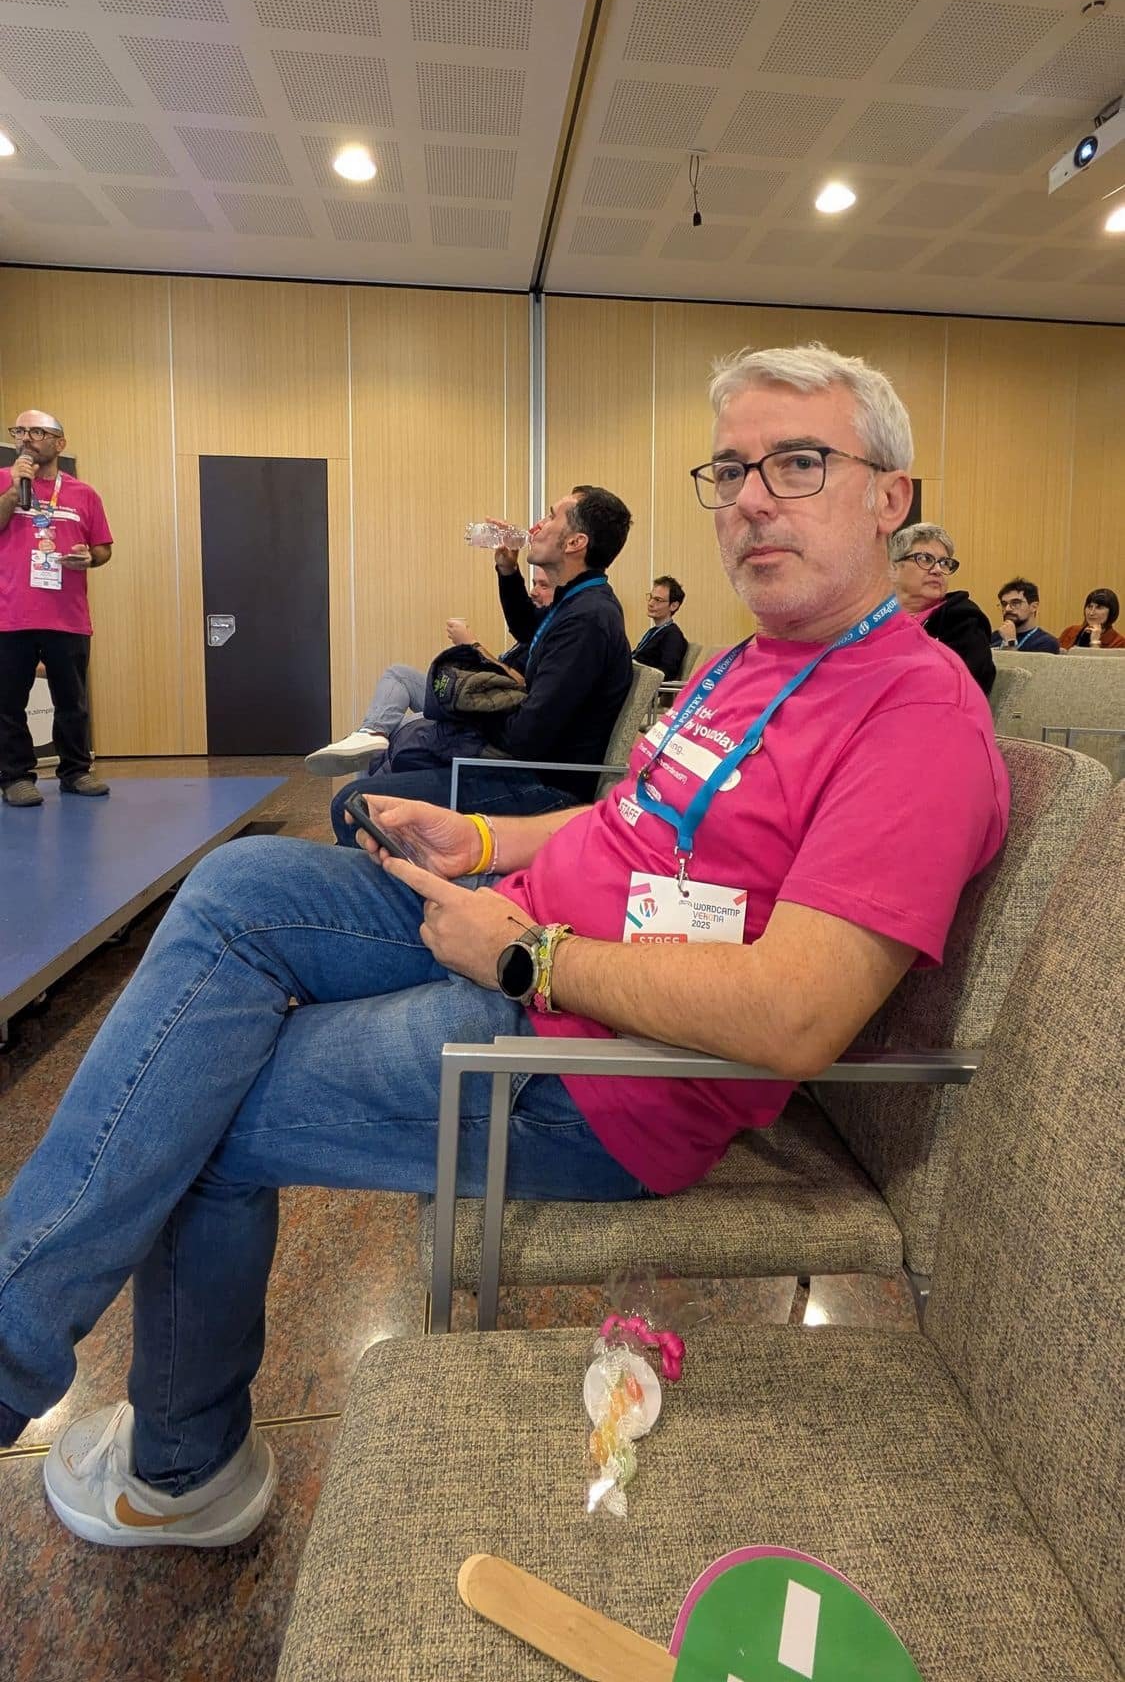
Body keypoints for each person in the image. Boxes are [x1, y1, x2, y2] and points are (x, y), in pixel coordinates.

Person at [0, 342, 1008, 1549]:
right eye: (730, 469)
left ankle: (175, 1467)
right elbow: (623, 820)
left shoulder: (918, 713)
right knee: (240, 882)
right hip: (518, 932)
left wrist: (531, 956)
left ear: (891, 496)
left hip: (596, 1064)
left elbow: (798, 1012)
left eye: (797, 463)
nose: (750, 498)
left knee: (200, 1103)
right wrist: (479, 840)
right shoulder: (748, 660)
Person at [329, 486, 633, 842]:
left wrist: (470, 710)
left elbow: (526, 737)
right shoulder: (577, 602)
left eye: (551, 516)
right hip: (526, 766)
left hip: (544, 786)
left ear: (575, 543)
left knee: (352, 804)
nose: (536, 526)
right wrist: (507, 570)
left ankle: (387, 872)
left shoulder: (588, 619)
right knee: (407, 752)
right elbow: (528, 630)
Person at [304, 566, 554, 776]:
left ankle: (362, 795)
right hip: (472, 699)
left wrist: (471, 644)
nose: (533, 592)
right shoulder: (534, 630)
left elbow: (519, 686)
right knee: (397, 676)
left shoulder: (557, 636)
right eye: (533, 583)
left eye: (543, 585)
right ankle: (370, 733)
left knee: (400, 728)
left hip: (486, 715)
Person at [0, 410, 113, 807]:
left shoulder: (85, 494)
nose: (26, 438)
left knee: (72, 701)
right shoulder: (4, 481)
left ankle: (76, 771)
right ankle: (15, 777)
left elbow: (103, 548)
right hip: (10, 615)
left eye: (37, 431)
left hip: (67, 616)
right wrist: (13, 491)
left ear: (59, 443)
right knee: (8, 702)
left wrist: (89, 557)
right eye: (20, 431)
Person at [890, 523, 995, 696]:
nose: (938, 570)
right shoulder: (872, 619)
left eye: (945, 563)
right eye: (925, 559)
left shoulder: (962, 620)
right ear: (893, 568)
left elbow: (969, 687)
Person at [632, 575, 688, 681]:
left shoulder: (672, 636)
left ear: (674, 606)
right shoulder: (655, 631)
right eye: (651, 597)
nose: (650, 603)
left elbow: (666, 674)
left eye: (658, 600)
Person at [990, 578, 1059, 654]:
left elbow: (1013, 662)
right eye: (1004, 604)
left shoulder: (1047, 643)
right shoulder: (995, 636)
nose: (1007, 609)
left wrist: (1010, 643)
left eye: (1015, 603)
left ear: (1034, 607)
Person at [1059, 589, 1123, 650]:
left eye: (1099, 608)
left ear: (1111, 612)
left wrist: (1095, 643)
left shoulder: (1120, 642)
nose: (1091, 613)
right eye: (1089, 606)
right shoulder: (1070, 631)